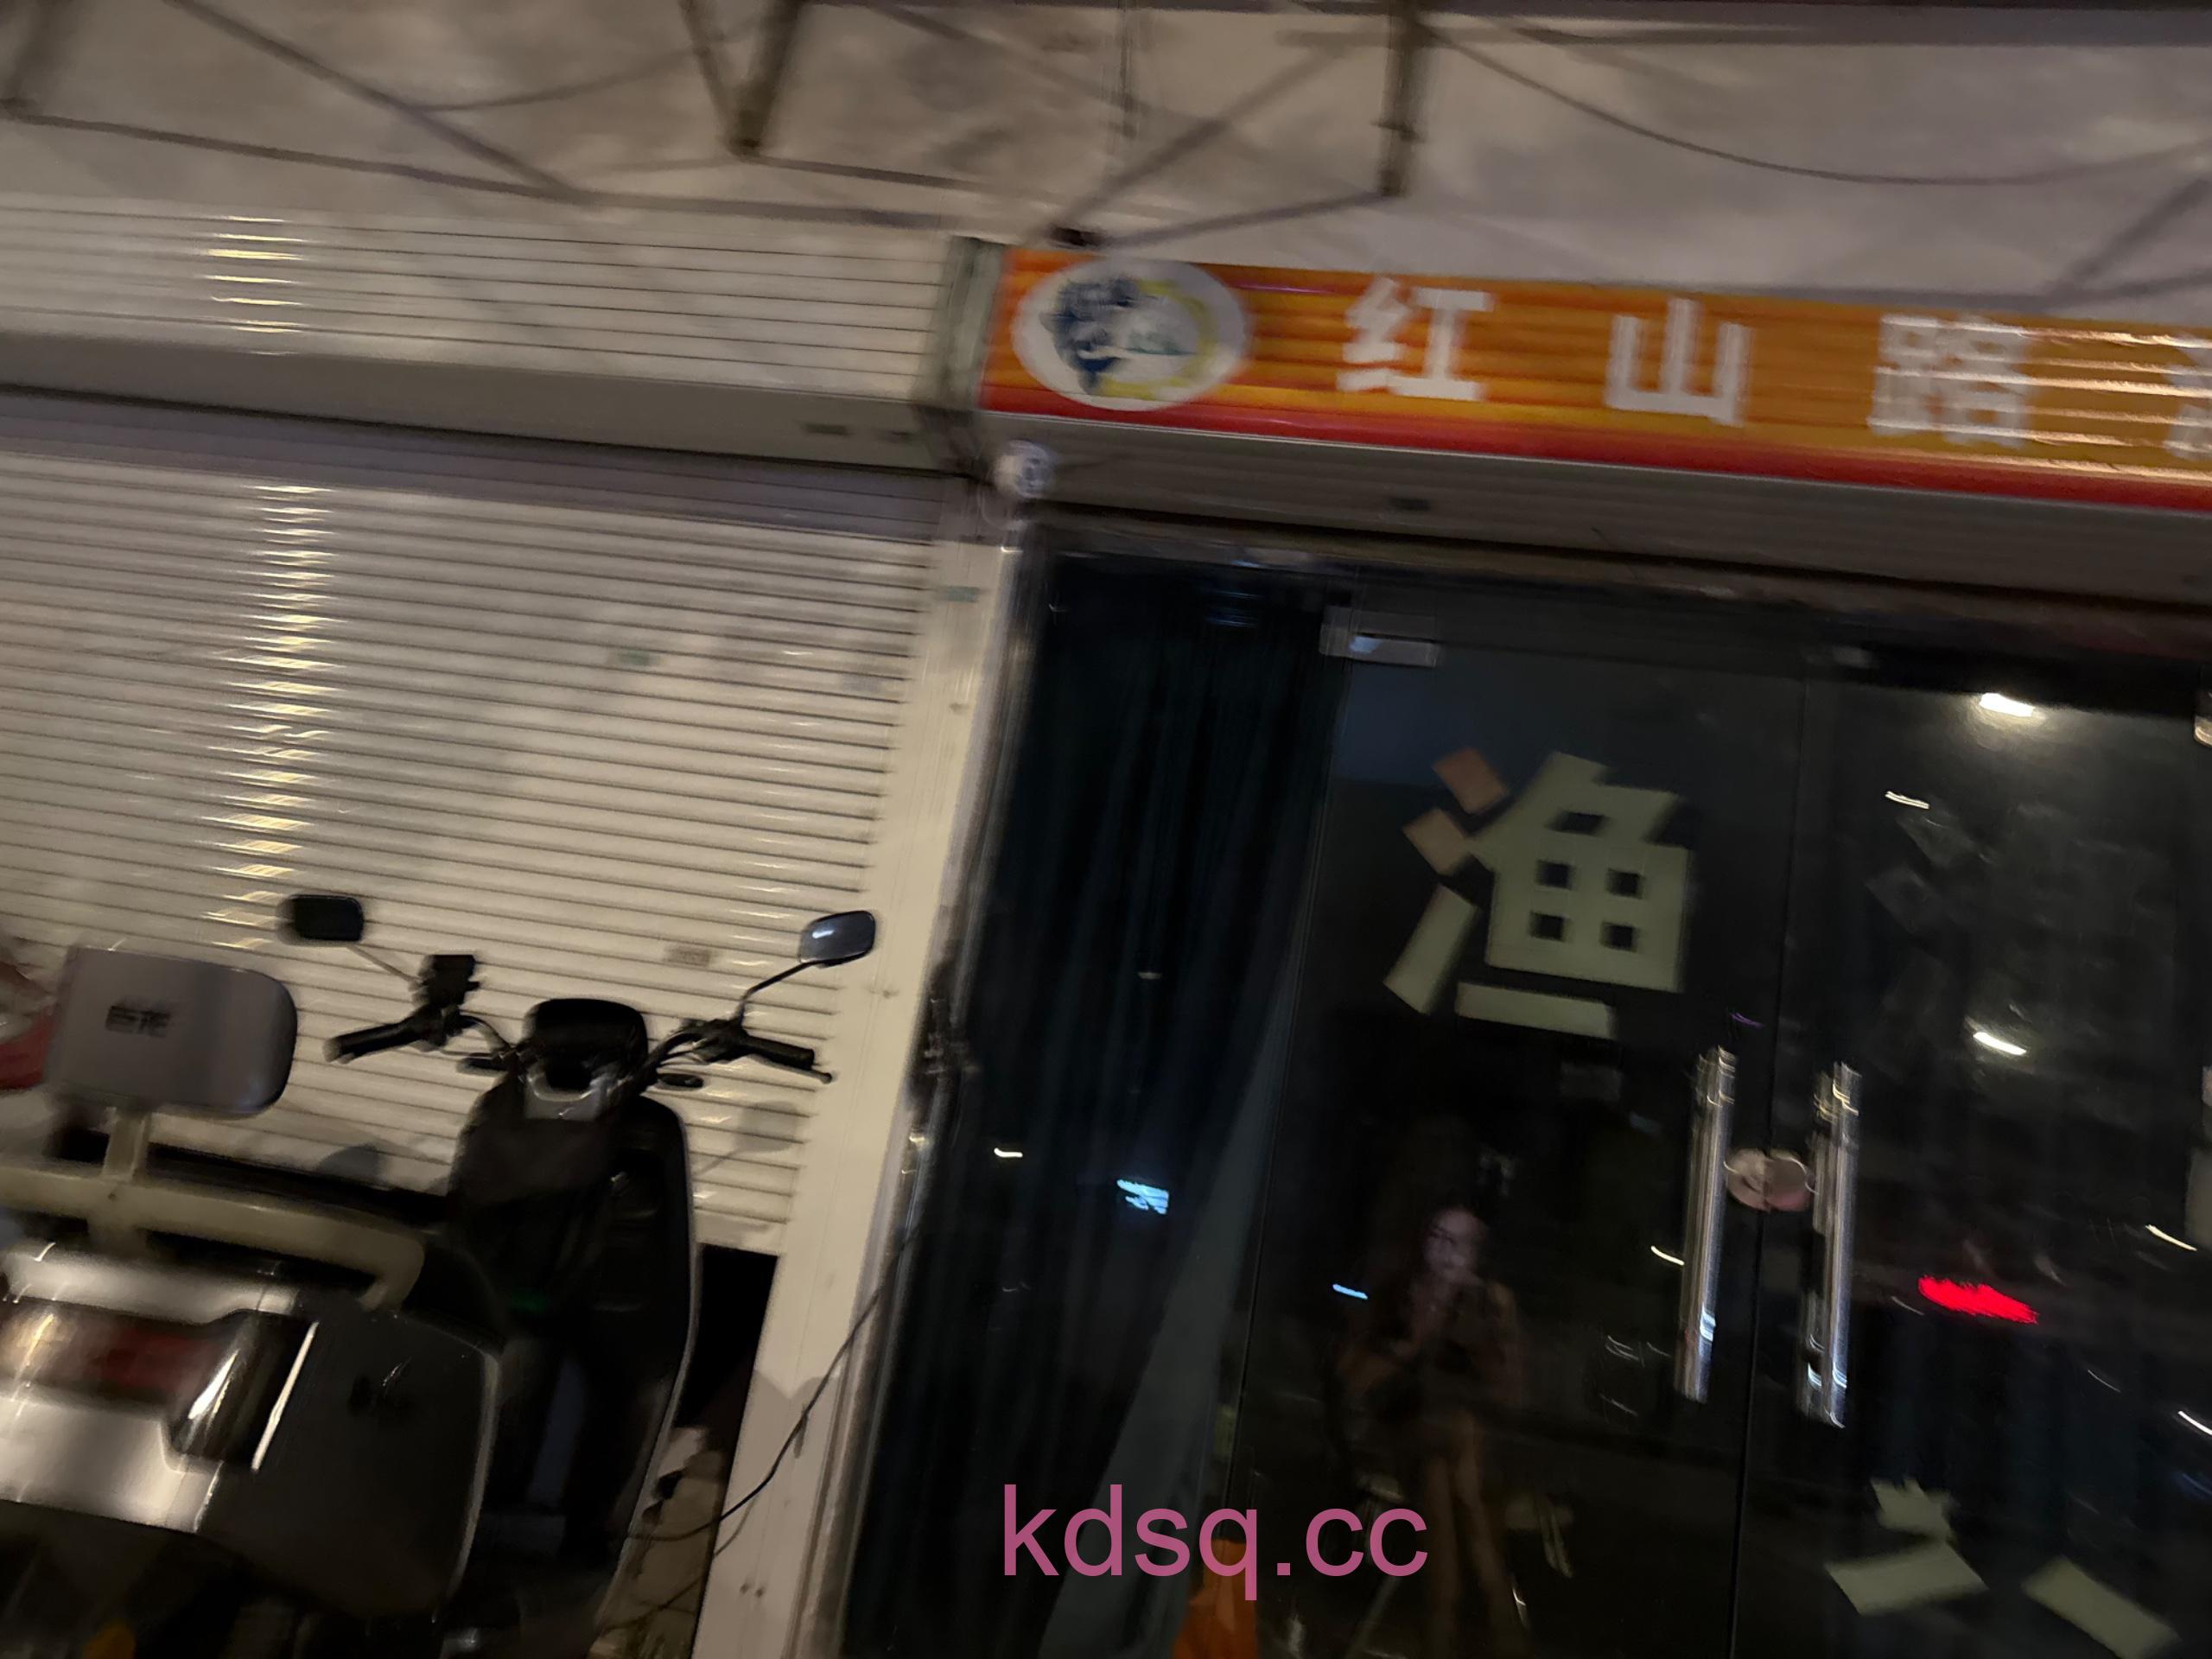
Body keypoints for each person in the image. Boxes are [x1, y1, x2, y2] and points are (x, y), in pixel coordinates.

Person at [1337, 1202, 1528, 1659]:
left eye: (1460, 1245)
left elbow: (1513, 1399)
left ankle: (1441, 1632)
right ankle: (1502, 1622)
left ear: (1477, 1256)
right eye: (1438, 1239)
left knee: (1446, 1472)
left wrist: (1491, 1334)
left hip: (1464, 1461)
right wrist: (1417, 1337)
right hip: (1397, 1440)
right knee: (1456, 1449)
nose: (1445, 1254)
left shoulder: (1489, 1304)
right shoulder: (1398, 1294)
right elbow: (1352, 1382)